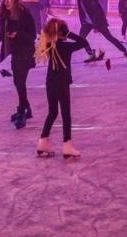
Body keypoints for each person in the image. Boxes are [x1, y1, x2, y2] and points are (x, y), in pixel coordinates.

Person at [35, 18, 89, 159]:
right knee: (66, 114)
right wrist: (69, 33)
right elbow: (83, 42)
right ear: (61, 31)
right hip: (62, 83)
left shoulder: (48, 44)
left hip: (50, 82)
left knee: (52, 112)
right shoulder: (65, 47)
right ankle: (67, 145)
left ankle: (43, 141)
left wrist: (60, 32)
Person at [0, 0, 37, 129]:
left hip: (26, 52)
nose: (6, 1)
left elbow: (32, 35)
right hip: (15, 53)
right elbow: (1, 32)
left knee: (20, 82)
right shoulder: (4, 15)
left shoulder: (24, 14)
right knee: (17, 82)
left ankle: (22, 111)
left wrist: (18, 34)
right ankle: (26, 108)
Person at [74, 0, 127, 64]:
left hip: (98, 21)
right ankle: (91, 55)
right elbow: (82, 10)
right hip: (87, 22)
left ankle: (126, 52)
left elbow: (97, 11)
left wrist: (96, 25)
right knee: (81, 38)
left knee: (110, 38)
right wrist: (83, 21)